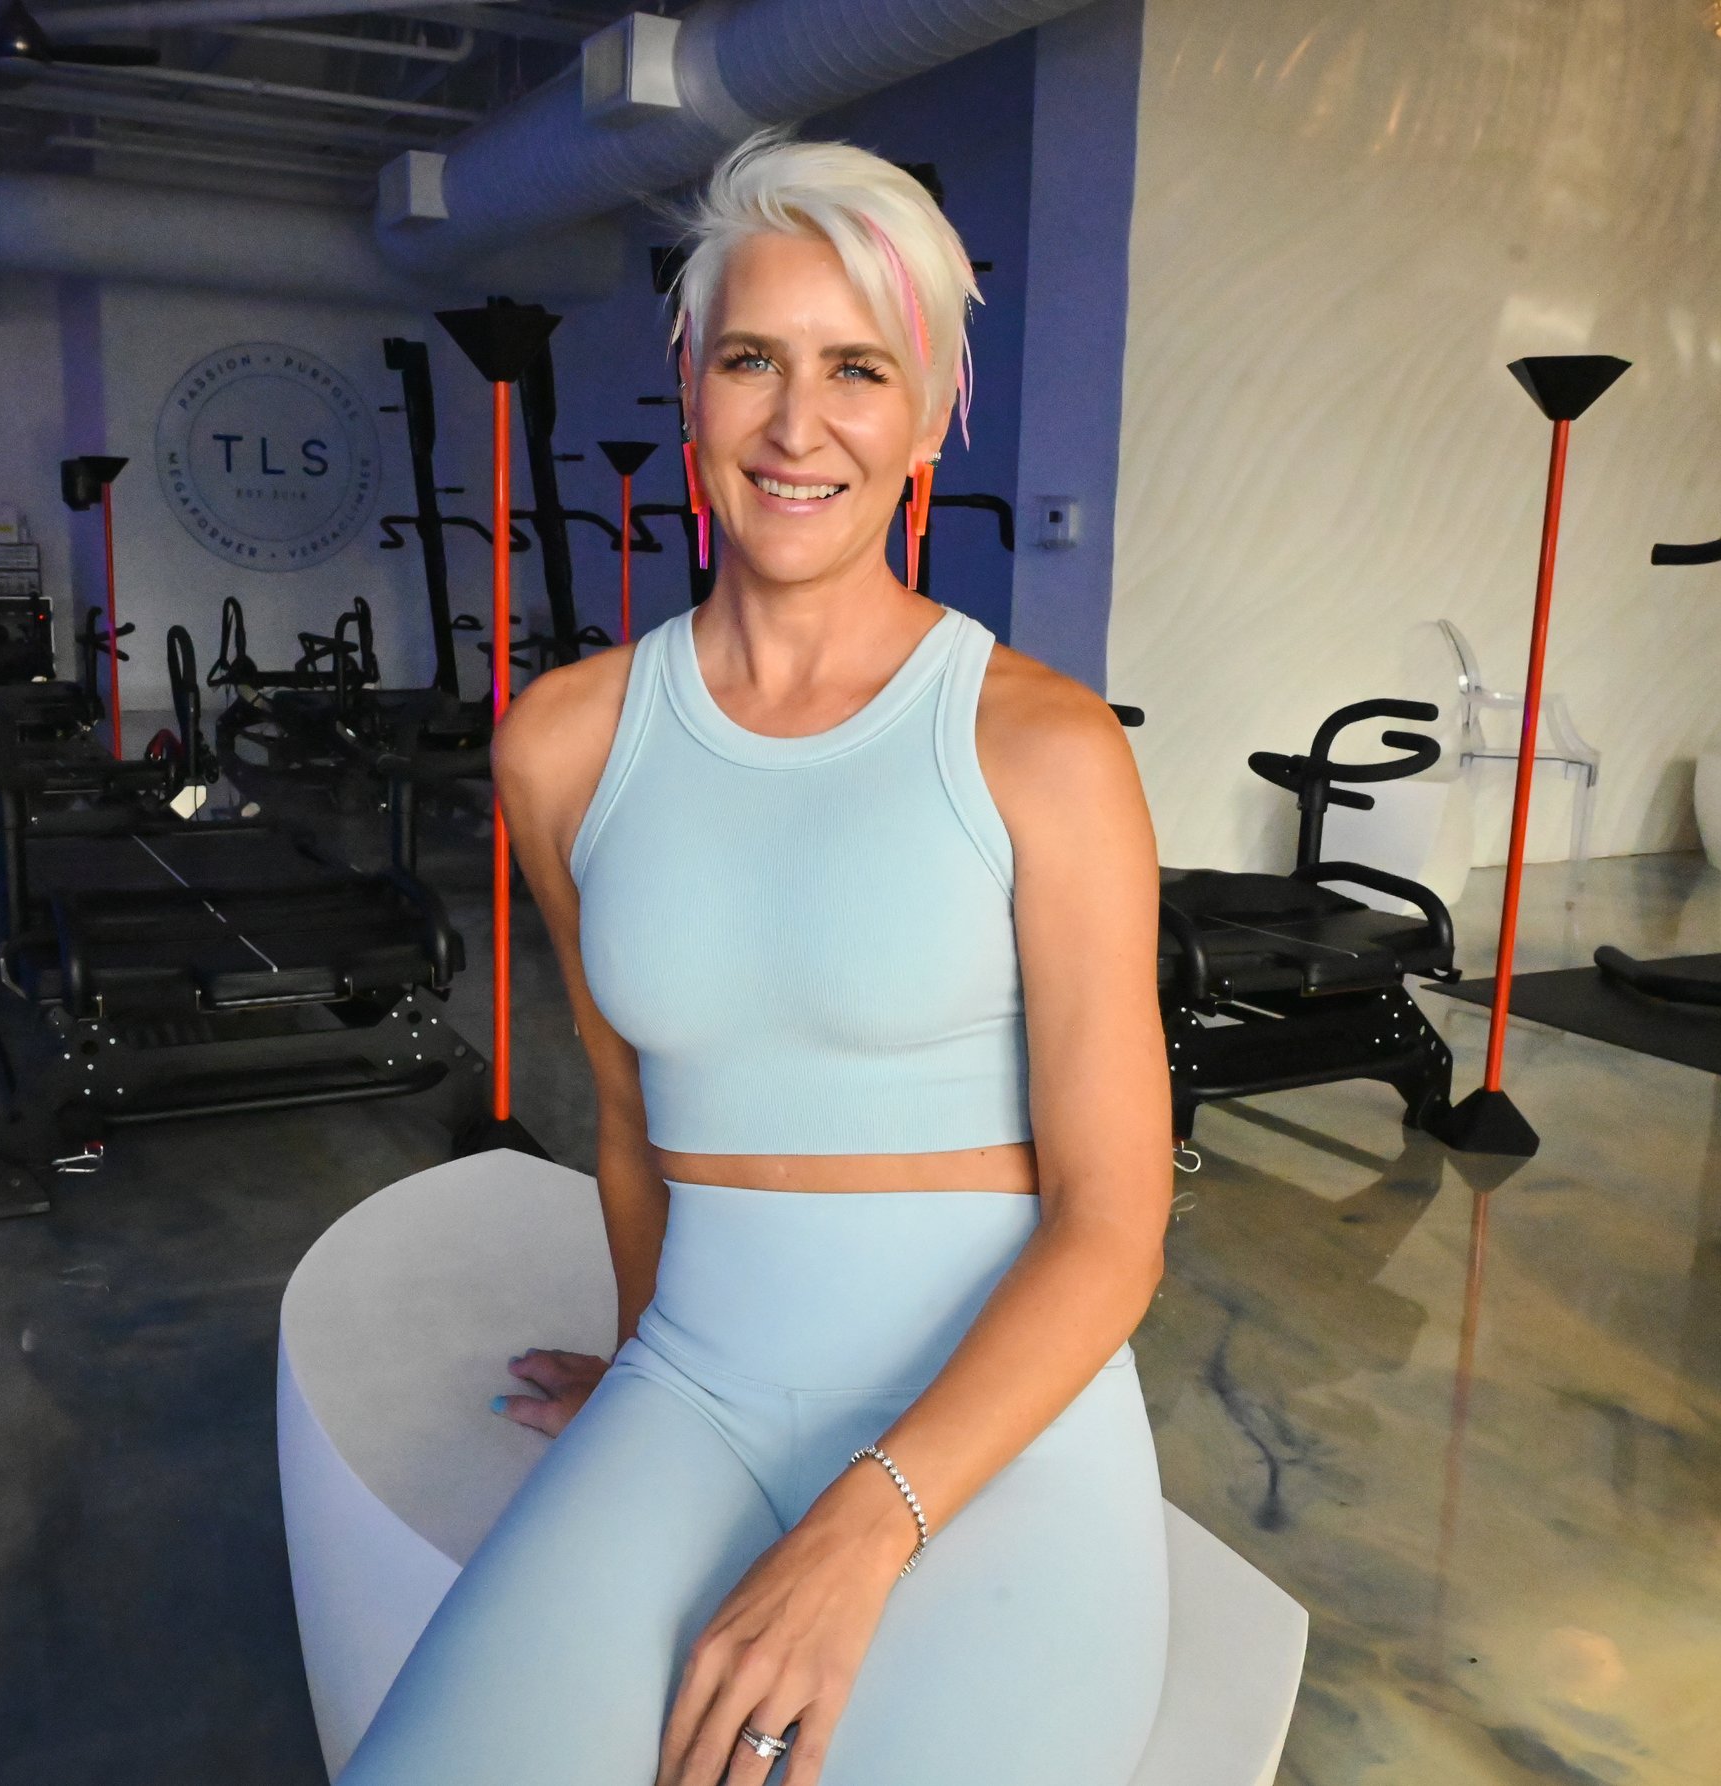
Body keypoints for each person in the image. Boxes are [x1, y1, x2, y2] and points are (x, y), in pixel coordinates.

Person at [339, 134, 1173, 1786]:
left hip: (999, 1429)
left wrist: (868, 1524)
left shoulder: (1042, 747)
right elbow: (638, 1125)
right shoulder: (566, 745)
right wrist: (644, 1386)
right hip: (695, 1388)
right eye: (754, 361)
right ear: (689, 387)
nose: (801, 425)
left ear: (930, 413)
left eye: (859, 368)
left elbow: (1115, 1218)